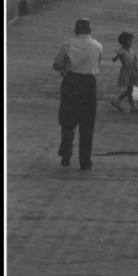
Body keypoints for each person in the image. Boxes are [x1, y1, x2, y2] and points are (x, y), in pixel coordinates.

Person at [53, 18, 103, 170]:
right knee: (87, 123)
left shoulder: (68, 44)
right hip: (89, 83)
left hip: (71, 82)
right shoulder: (97, 45)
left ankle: (67, 147)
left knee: (68, 118)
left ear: (75, 30)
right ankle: (85, 161)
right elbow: (97, 64)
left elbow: (57, 65)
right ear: (90, 31)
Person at [110, 32, 138, 111]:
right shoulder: (121, 51)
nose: (131, 43)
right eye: (129, 41)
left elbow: (134, 56)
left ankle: (120, 101)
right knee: (130, 90)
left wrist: (136, 63)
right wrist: (117, 57)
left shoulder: (130, 48)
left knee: (130, 90)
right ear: (124, 42)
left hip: (133, 69)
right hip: (127, 71)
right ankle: (131, 105)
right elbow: (114, 59)